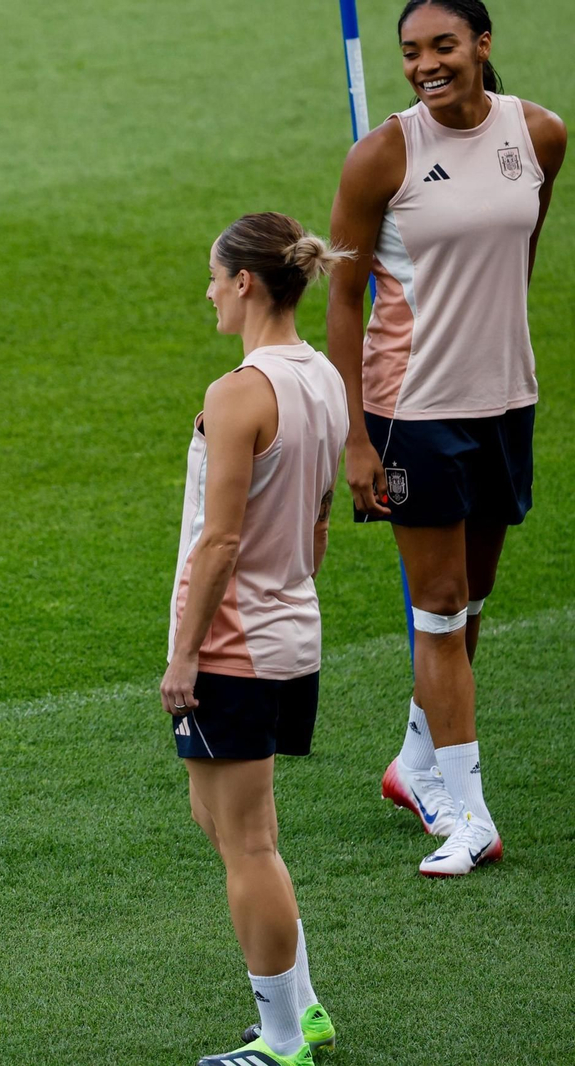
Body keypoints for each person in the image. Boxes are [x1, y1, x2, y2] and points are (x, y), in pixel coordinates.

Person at [326, 0, 564, 876]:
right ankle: (469, 814)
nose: (427, 63)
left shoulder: (539, 135)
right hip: (411, 411)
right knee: (439, 608)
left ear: (483, 45)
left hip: (505, 401)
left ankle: (415, 763)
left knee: (474, 604)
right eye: (411, 51)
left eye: (444, 46)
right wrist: (355, 437)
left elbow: (519, 252)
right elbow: (345, 300)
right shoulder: (382, 153)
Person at [162, 213, 348, 1066]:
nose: (207, 291)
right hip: (291, 630)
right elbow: (314, 528)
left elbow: (222, 540)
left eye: (213, 276)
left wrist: (184, 655)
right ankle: (300, 1008)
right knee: (224, 821)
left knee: (247, 843)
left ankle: (281, 1042)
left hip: (233, 646)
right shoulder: (325, 379)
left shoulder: (238, 391)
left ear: (245, 282)